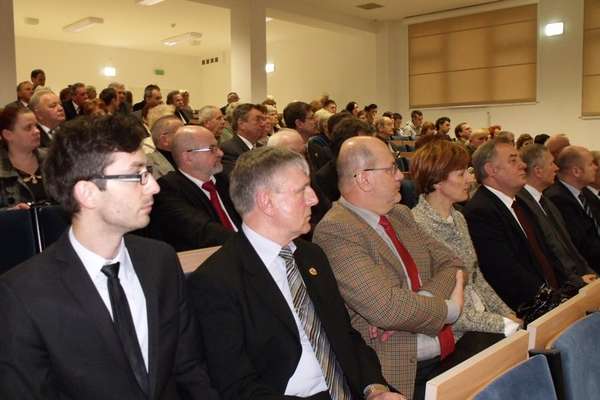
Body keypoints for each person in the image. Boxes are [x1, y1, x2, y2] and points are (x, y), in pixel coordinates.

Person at [0, 114, 219, 399]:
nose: (154, 186)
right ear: (88, 193)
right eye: (138, 175)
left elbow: (189, 367)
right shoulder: (23, 293)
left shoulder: (160, 261)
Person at [187, 146, 406, 400]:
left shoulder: (311, 255)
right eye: (302, 190)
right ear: (266, 202)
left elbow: (346, 337)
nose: (314, 199)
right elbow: (237, 387)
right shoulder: (217, 280)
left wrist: (375, 389)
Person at [313, 136, 465, 400]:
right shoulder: (336, 230)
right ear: (364, 178)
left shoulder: (400, 214)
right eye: (391, 168)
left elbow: (453, 263)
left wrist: (418, 303)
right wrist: (450, 309)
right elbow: (387, 309)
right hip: (401, 373)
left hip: (449, 348)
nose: (400, 176)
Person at [410, 139, 519, 348]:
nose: (471, 178)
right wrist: (503, 323)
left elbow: (477, 278)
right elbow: (442, 307)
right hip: (455, 334)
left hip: (481, 321)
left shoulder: (458, 217)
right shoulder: (417, 226)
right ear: (437, 181)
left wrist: (507, 313)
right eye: (461, 174)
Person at [464, 138, 565, 309]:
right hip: (526, 308)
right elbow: (506, 272)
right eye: (513, 160)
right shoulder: (480, 212)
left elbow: (546, 253)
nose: (523, 165)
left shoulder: (521, 203)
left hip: (552, 298)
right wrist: (552, 300)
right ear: (491, 170)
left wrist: (567, 289)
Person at [150, 125, 240, 251]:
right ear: (188, 157)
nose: (221, 153)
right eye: (212, 149)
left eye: (218, 147)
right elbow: (203, 231)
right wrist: (250, 243)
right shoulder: (167, 189)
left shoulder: (227, 177)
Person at [518, 144, 598, 278]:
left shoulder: (546, 201)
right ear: (538, 171)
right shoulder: (531, 203)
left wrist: (588, 272)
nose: (556, 168)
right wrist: (578, 280)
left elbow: (569, 247)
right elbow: (555, 251)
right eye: (551, 163)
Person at [545, 146, 600, 273]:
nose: (596, 168)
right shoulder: (557, 199)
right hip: (587, 269)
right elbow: (582, 245)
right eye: (591, 164)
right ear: (576, 171)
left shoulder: (585, 192)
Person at [0, 105, 49, 209]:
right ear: (8, 135)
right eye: (28, 128)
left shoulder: (54, 159)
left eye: (36, 126)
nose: (37, 131)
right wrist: (9, 213)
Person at [220, 103, 267, 176]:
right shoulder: (228, 150)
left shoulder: (262, 148)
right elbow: (237, 179)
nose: (263, 124)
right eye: (258, 120)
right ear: (241, 124)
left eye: (263, 120)